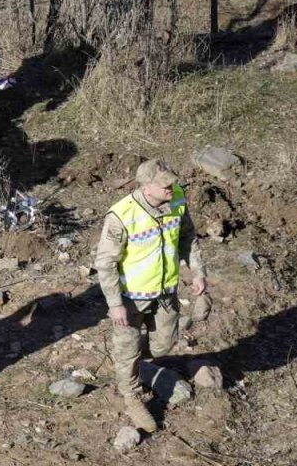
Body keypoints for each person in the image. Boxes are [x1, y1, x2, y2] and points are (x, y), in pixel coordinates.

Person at [94, 159, 209, 433]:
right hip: (130, 299)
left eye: (172, 180)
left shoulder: (177, 200)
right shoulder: (121, 215)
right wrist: (115, 305)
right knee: (127, 348)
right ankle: (131, 396)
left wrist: (198, 272)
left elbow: (188, 238)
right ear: (146, 187)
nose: (172, 186)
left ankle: (130, 359)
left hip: (165, 294)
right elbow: (105, 263)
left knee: (162, 346)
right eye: (164, 183)